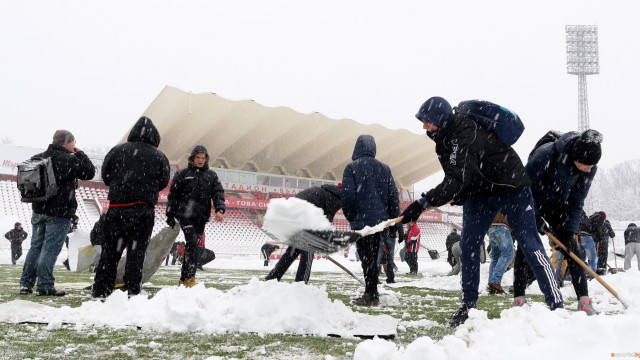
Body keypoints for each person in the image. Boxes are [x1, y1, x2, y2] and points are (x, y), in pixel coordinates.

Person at [401, 97, 563, 327]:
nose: (424, 126)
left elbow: (456, 179)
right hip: (481, 193)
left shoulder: (464, 134)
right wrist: (460, 194)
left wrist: (422, 203)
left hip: (512, 187)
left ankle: (556, 304)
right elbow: (464, 176)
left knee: (529, 242)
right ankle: (468, 307)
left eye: (427, 121)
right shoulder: (443, 139)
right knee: (468, 246)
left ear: (441, 118)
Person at [513, 129, 603, 316]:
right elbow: (523, 188)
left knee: (571, 247)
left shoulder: (589, 168)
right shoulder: (545, 155)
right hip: (532, 201)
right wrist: (535, 217)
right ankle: (519, 298)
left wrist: (569, 230)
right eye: (586, 165)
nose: (589, 169)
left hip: (559, 206)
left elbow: (577, 201)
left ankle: (584, 300)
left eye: (592, 166)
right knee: (526, 246)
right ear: (576, 157)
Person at [92, 117, 170, 299]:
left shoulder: (117, 150)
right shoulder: (159, 155)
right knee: (136, 253)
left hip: (117, 208)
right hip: (142, 210)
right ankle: (133, 289)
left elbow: (106, 176)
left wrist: (122, 186)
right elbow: (163, 181)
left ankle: (101, 289)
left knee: (110, 252)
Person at [19, 130, 96, 296]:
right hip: (59, 212)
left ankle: (25, 284)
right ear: (67, 143)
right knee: (50, 249)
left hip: (39, 209)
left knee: (35, 247)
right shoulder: (69, 159)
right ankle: (45, 286)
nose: (74, 145)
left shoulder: (38, 157)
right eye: (74, 142)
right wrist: (80, 153)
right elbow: (89, 172)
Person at [342, 134, 400, 306]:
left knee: (367, 258)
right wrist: (393, 221)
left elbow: (347, 197)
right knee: (372, 257)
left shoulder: (352, 167)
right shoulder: (384, 168)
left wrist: (352, 217)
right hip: (380, 222)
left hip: (362, 222)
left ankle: (371, 294)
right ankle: (372, 292)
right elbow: (393, 197)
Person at [165, 145, 225, 287]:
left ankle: (185, 278)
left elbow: (218, 194)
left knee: (193, 246)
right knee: (191, 241)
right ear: (192, 158)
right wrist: (170, 214)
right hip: (185, 215)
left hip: (201, 217)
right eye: (197, 157)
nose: (200, 160)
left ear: (206, 159)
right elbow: (173, 195)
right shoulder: (183, 174)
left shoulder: (212, 176)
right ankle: (189, 278)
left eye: (202, 158)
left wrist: (219, 210)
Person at [265, 184, 342, 284]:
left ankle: (272, 278)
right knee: (308, 252)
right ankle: (301, 284)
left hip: (292, 216)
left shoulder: (325, 191)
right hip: (303, 218)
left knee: (292, 252)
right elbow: (326, 222)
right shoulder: (336, 198)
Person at [486, 213, 515, 294]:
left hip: (490, 226)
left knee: (496, 257)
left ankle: (491, 284)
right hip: (501, 225)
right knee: (508, 254)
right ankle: (495, 282)